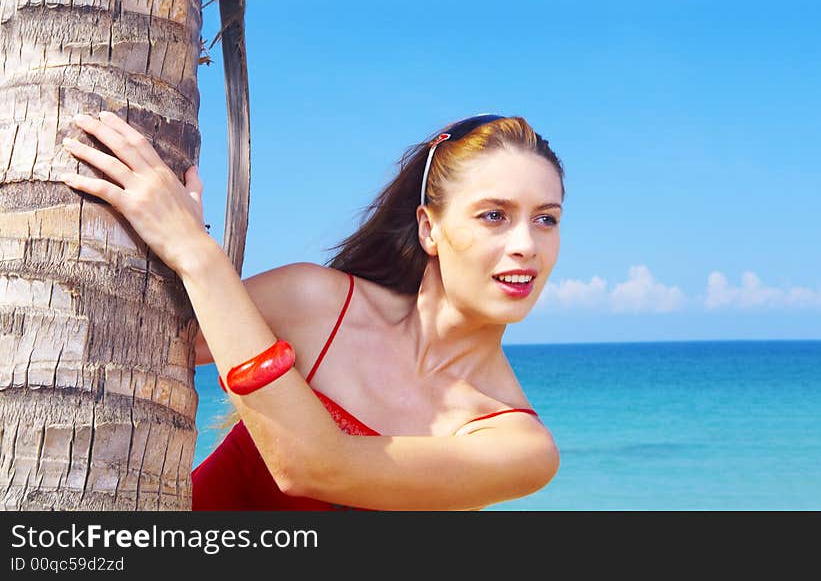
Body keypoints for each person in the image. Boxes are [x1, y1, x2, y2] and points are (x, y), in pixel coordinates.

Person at [60, 112, 565, 511]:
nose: (526, 244)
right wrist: (170, 235)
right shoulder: (314, 303)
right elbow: (140, 344)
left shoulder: (518, 444)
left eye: (546, 219)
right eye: (494, 215)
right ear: (429, 228)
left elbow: (315, 467)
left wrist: (194, 250)